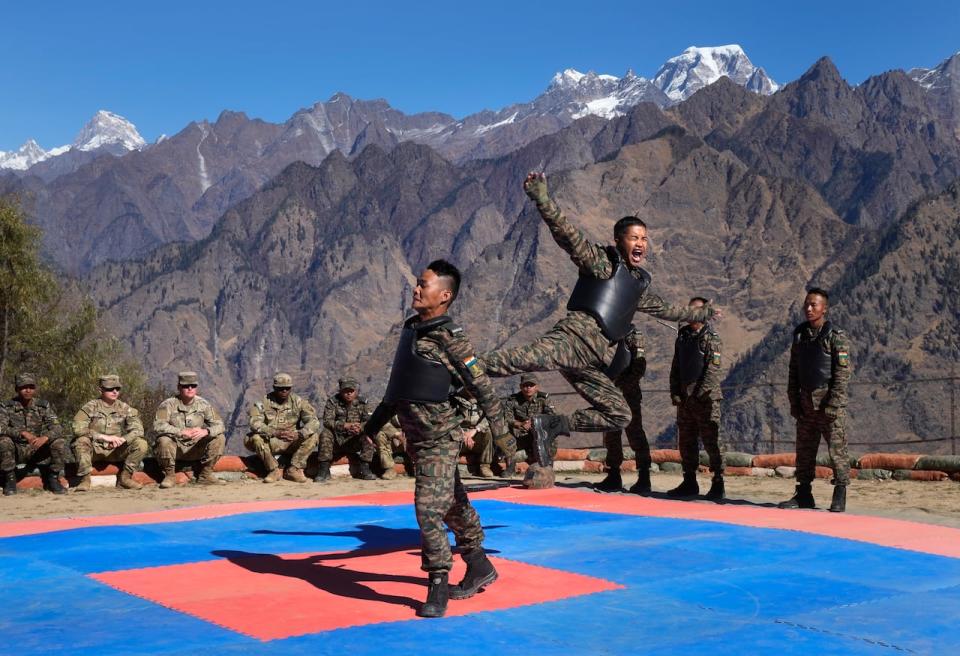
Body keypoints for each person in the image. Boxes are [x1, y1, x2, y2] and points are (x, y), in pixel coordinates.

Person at [482, 172, 721, 476]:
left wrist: (702, 315)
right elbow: (567, 235)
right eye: (634, 237)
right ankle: (459, 365)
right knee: (512, 362)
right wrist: (541, 198)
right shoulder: (601, 262)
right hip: (569, 342)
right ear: (618, 240)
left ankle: (554, 424)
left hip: (592, 362)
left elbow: (669, 310)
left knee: (620, 414)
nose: (641, 244)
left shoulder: (638, 287)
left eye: (644, 239)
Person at [363, 260, 514, 618]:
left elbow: (482, 387)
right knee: (451, 503)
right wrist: (370, 429)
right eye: (417, 283)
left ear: (444, 295)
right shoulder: (413, 331)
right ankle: (479, 564)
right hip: (417, 438)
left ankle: (437, 581)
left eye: (424, 284)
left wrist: (503, 438)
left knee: (427, 508)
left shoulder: (452, 339)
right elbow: (396, 391)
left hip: (440, 439)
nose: (416, 289)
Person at [780, 288, 852, 512]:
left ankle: (840, 491)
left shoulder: (835, 337)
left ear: (825, 308)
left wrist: (833, 403)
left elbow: (842, 374)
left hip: (828, 404)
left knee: (837, 451)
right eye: (807, 305)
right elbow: (794, 370)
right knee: (804, 450)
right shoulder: (800, 335)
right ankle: (803, 493)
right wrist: (794, 401)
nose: (809, 309)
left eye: (814, 305)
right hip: (805, 404)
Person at [667, 298, 725, 500]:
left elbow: (712, 371)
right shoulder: (682, 337)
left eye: (696, 309)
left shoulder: (711, 338)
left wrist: (698, 395)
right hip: (685, 399)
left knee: (712, 441)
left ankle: (718, 481)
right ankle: (689, 480)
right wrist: (675, 391)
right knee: (686, 441)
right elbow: (676, 366)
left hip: (706, 400)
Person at [594, 327, 652, 494]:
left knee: (635, 433)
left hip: (628, 394)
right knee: (611, 434)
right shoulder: (605, 334)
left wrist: (621, 388)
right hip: (608, 392)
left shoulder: (634, 336)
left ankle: (644, 475)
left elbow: (639, 368)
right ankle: (613, 474)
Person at [71, 374, 148, 491]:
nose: (114, 391)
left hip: (115, 449)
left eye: (117, 389)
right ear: (100, 390)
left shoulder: (124, 408)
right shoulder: (90, 406)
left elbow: (138, 429)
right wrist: (103, 437)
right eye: (110, 389)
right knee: (80, 441)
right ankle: (85, 480)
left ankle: (125, 478)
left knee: (141, 444)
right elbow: (77, 428)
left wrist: (123, 439)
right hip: (95, 449)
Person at [152, 371, 227, 488]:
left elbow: (220, 425)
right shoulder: (168, 405)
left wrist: (205, 431)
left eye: (193, 386)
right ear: (179, 387)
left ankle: (205, 475)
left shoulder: (204, 404)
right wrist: (180, 432)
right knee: (163, 440)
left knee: (219, 438)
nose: (190, 388)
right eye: (186, 386)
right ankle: (170, 476)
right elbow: (158, 425)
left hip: (196, 446)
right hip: (176, 447)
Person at [246, 372, 320, 483]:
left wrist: (299, 434)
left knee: (313, 436)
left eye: (287, 388)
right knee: (255, 438)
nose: (284, 391)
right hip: (272, 440)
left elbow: (313, 421)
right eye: (281, 389)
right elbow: (254, 422)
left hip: (292, 440)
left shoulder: (299, 402)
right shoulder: (263, 402)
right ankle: (273, 470)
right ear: (274, 388)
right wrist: (274, 432)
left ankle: (294, 469)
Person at [0, 373, 67, 495]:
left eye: (31, 387)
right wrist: (22, 433)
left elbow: (57, 427)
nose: (28, 390)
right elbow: (1, 427)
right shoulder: (6, 406)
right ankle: (9, 479)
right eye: (23, 387)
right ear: (17, 389)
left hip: (36, 448)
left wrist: (45, 437)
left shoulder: (43, 405)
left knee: (59, 441)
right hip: (16, 450)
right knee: (3, 441)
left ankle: (53, 478)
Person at [315, 378, 377, 482]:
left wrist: (360, 427)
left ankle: (364, 468)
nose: (348, 394)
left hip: (355, 439)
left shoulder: (363, 403)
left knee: (368, 435)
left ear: (356, 391)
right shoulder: (332, 402)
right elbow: (327, 421)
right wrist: (344, 425)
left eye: (351, 391)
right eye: (345, 391)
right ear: (340, 391)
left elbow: (370, 421)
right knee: (325, 433)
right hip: (337, 440)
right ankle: (323, 469)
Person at [502, 373, 556, 478]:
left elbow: (552, 417)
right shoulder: (513, 400)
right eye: (525, 385)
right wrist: (519, 424)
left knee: (552, 437)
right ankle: (510, 467)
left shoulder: (544, 399)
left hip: (538, 433)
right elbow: (507, 417)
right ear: (520, 387)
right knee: (504, 435)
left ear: (537, 387)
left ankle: (548, 467)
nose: (528, 388)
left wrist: (534, 423)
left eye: (531, 385)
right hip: (519, 434)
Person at [452, 389, 495, 478]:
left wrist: (475, 430)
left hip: (476, 434)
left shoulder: (484, 400)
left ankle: (484, 466)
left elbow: (489, 418)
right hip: (459, 435)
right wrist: (462, 433)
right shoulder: (454, 399)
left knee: (488, 432)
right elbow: (449, 419)